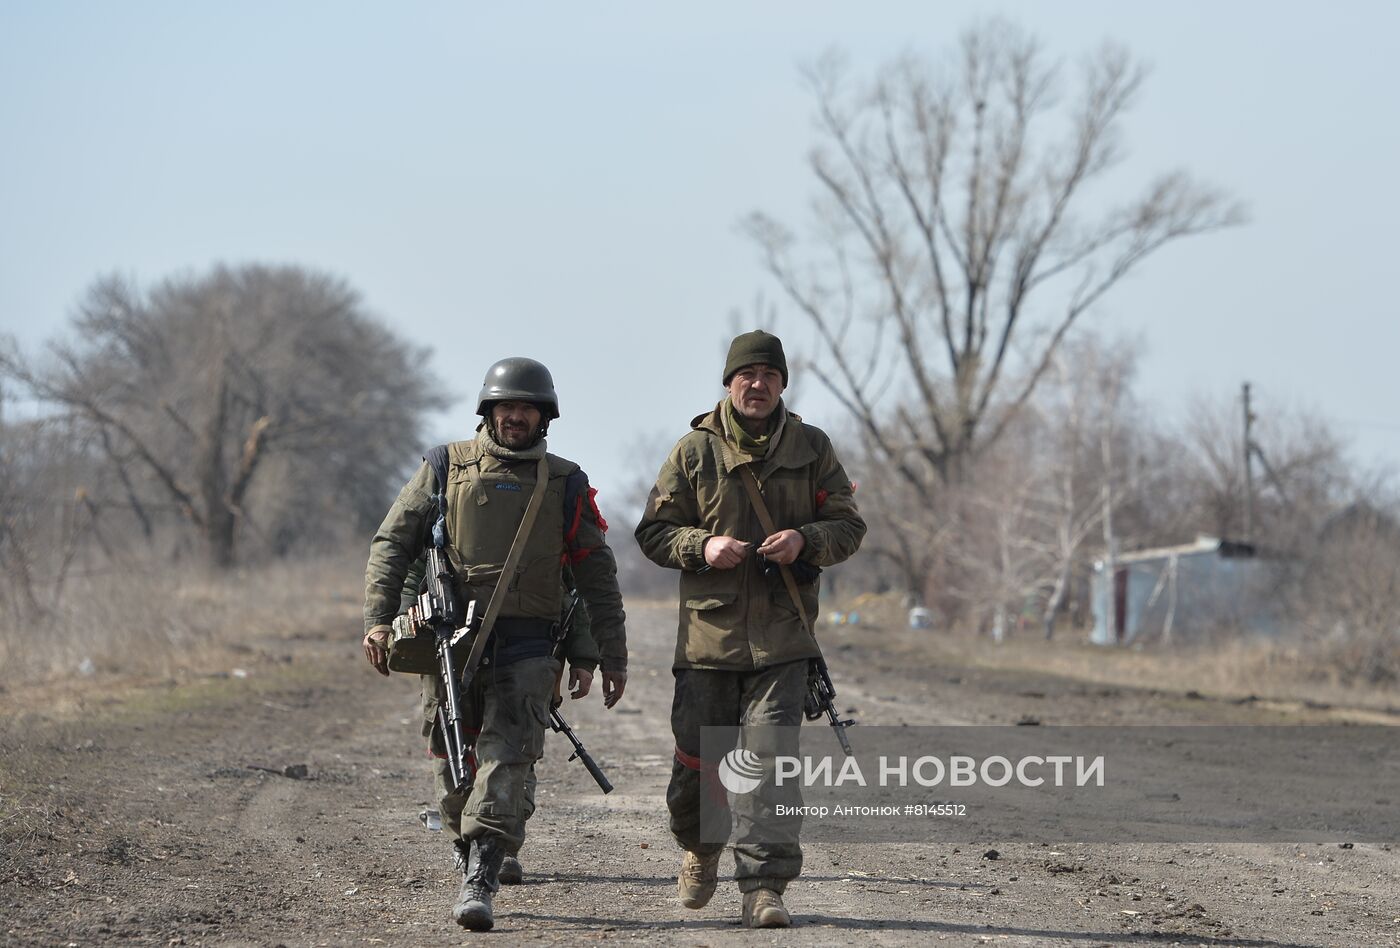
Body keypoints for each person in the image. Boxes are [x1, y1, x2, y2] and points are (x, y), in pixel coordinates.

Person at [363, 357, 627, 932]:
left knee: (508, 755)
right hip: (451, 636)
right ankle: (466, 850)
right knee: (451, 753)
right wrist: (379, 621)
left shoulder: (565, 481)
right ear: (488, 410)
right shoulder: (444, 466)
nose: (515, 416)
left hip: (530, 641)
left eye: (526, 407)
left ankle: (481, 873)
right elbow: (393, 542)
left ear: (544, 417)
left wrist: (604, 654)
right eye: (506, 406)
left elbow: (593, 576)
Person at [634, 330, 866, 928]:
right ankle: (700, 848)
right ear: (728, 382)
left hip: (785, 639)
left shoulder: (813, 448)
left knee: (771, 762)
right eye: (746, 375)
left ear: (782, 383)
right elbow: (653, 533)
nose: (756, 384)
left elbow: (847, 525)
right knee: (701, 762)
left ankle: (764, 887)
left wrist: (804, 540)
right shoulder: (693, 453)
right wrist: (701, 544)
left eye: (768, 374)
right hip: (708, 642)